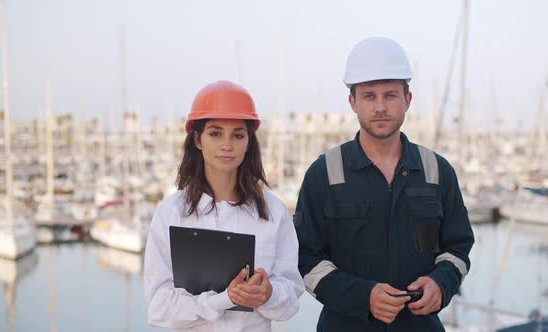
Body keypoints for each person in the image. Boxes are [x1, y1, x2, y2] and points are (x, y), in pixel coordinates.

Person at [294, 37, 475, 331]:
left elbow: (458, 247)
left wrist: (441, 283)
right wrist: (363, 297)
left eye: (390, 95)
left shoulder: (436, 170)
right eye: (369, 96)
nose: (380, 107)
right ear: (352, 102)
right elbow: (306, 259)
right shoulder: (324, 173)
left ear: (408, 99)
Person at [144, 80, 304, 331]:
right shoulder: (170, 214)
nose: (227, 145)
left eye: (238, 135)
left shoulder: (273, 212)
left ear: (249, 141)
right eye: (215, 133)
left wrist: (269, 294)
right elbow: (159, 307)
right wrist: (224, 299)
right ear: (197, 139)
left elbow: (291, 298)